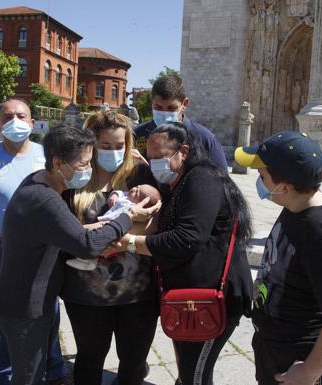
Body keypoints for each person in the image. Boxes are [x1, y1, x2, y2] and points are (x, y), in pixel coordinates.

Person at [0, 124, 159, 385]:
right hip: (26, 304)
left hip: (34, 300)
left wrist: (104, 226)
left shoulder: (39, 182)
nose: (88, 168)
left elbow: (74, 231)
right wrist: (126, 218)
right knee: (28, 376)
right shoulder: (45, 198)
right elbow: (86, 244)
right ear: (59, 163)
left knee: (33, 372)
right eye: (84, 163)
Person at [108, 122, 254, 385]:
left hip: (211, 298)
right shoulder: (180, 181)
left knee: (194, 376)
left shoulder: (202, 179)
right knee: (188, 369)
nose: (154, 163)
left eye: (160, 156)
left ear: (183, 151)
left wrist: (129, 242)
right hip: (191, 297)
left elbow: (187, 238)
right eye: (150, 157)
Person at [234, 131, 322, 385]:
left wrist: (309, 372)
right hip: (277, 346)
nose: (259, 181)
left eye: (262, 176)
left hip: (301, 358)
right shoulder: (296, 206)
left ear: (284, 187)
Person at [61, 111, 161, 385]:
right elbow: (67, 234)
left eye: (120, 146)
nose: (114, 152)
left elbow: (155, 222)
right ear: (91, 144)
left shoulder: (141, 175)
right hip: (86, 296)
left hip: (137, 294)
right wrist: (120, 233)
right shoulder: (74, 180)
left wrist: (102, 239)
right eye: (106, 146)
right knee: (89, 361)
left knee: (133, 365)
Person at [0, 98, 66, 385]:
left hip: (44, 251)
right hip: (0, 250)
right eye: (7, 116)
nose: (14, 121)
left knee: (48, 312)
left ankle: (53, 369)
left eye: (21, 115)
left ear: (32, 123)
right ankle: (3, 372)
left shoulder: (48, 157)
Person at [133, 75, 228, 171]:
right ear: (151, 102)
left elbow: (222, 182)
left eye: (171, 108)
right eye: (158, 108)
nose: (164, 113)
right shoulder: (137, 135)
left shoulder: (204, 139)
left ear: (185, 104)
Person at [66, 183, 161, 270]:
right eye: (137, 187)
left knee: (101, 243)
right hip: (108, 224)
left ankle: (89, 261)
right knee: (95, 240)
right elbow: (120, 192)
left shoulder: (133, 207)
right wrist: (114, 195)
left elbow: (149, 223)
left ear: (142, 204)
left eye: (137, 193)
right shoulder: (126, 196)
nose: (134, 189)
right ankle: (87, 258)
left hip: (116, 226)